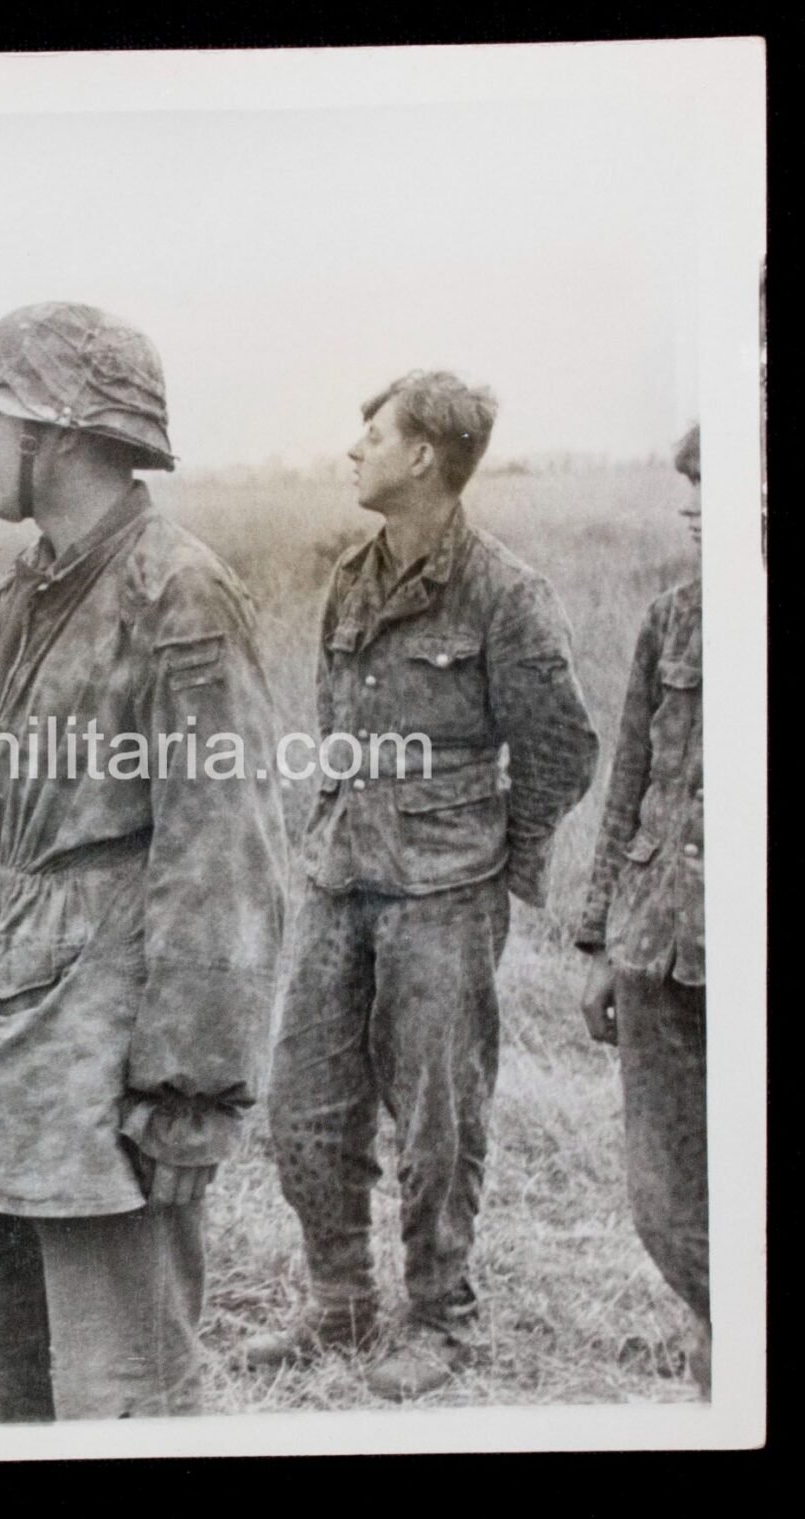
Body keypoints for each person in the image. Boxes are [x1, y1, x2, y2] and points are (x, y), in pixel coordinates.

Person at [0, 301, 286, 1420]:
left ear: (52, 426)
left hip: (105, 1054)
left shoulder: (179, 591)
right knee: (4, 1369)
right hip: (3, 1039)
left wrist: (187, 1084)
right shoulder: (24, 590)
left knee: (120, 1388)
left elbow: (225, 854)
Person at [246, 371, 600, 1398]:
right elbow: (337, 729)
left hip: (443, 890)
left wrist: (499, 859)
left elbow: (559, 745)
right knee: (305, 1098)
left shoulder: (502, 592)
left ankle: (440, 1319)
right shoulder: (351, 577)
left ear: (422, 458)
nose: (352, 447)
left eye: (372, 431)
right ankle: (339, 1300)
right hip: (338, 873)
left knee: (436, 1113)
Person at [574, 424, 708, 1394]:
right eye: (688, 484)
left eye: (713, 482)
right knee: (663, 1202)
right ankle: (718, 1333)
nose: (692, 504)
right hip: (655, 950)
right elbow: (625, 784)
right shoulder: (668, 621)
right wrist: (596, 939)